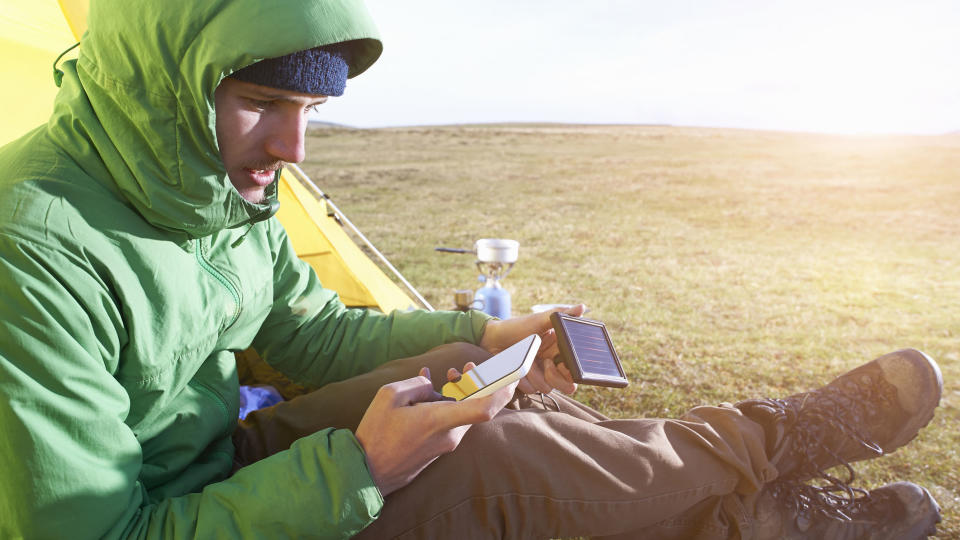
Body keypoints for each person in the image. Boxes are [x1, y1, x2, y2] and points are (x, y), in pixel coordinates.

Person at [0, 0, 944, 538]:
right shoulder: (33, 247)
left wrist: (494, 337)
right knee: (486, 455)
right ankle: (771, 473)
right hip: (166, 515)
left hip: (221, 461)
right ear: (163, 83)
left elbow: (309, 333)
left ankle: (765, 505)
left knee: (475, 381)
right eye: (260, 103)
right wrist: (359, 466)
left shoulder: (209, 182)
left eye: (310, 113)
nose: (292, 148)